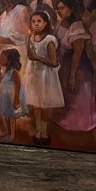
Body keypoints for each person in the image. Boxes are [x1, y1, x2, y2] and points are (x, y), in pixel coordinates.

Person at [52, 0, 96, 132]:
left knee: (77, 93)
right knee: (66, 95)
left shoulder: (77, 25)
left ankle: (80, 125)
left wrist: (72, 74)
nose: (59, 11)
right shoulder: (61, 24)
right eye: (58, 9)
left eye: (62, 8)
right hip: (64, 64)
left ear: (70, 9)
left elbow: (78, 52)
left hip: (78, 67)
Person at [24, 12, 64, 145]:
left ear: (45, 23)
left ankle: (45, 131)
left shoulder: (49, 40)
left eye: (39, 21)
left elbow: (53, 62)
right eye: (33, 21)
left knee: (45, 105)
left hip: (45, 76)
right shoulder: (30, 37)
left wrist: (37, 58)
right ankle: (38, 130)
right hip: (33, 75)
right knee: (36, 104)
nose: (36, 24)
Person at [0, 48, 26, 142]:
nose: (0, 59)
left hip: (11, 98)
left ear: (9, 61)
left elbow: (18, 84)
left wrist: (16, 99)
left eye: (2, 57)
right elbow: (1, 81)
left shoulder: (14, 72)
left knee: (12, 118)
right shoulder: (7, 71)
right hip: (4, 97)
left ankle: (12, 135)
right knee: (5, 116)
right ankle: (7, 133)